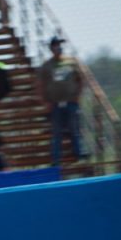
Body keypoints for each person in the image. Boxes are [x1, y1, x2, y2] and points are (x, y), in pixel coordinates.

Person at [37, 36, 87, 166]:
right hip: (55, 104)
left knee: (75, 129)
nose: (58, 48)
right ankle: (56, 159)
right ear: (51, 48)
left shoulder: (71, 62)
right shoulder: (46, 66)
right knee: (57, 132)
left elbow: (80, 79)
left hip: (71, 102)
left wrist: (78, 95)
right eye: (55, 45)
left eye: (59, 45)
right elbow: (41, 85)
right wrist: (45, 102)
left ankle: (79, 154)